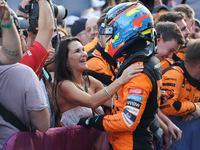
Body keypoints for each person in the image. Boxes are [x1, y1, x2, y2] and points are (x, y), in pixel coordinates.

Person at [78, 2, 163, 150]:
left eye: (111, 31)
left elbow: (127, 120)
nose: (108, 37)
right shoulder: (144, 59)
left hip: (131, 145)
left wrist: (93, 121)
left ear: (126, 30)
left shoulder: (138, 68)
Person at [53, 37, 143, 127]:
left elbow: (115, 102)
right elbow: (91, 102)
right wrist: (121, 80)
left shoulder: (91, 81)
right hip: (75, 140)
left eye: (83, 50)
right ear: (65, 60)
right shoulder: (64, 85)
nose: (84, 54)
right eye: (77, 51)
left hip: (99, 140)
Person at [0, 1, 51, 149]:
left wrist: (22, 7)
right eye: (20, 34)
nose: (24, 37)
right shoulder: (26, 64)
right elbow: (47, 29)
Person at [160, 39, 200, 119]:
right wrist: (193, 107)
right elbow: (167, 107)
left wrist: (195, 109)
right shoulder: (174, 74)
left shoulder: (197, 78)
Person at [17, 0, 54, 76]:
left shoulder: (5, 64)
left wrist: (24, 5)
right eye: (20, 38)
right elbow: (47, 29)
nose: (24, 36)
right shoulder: (23, 65)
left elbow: (14, 24)